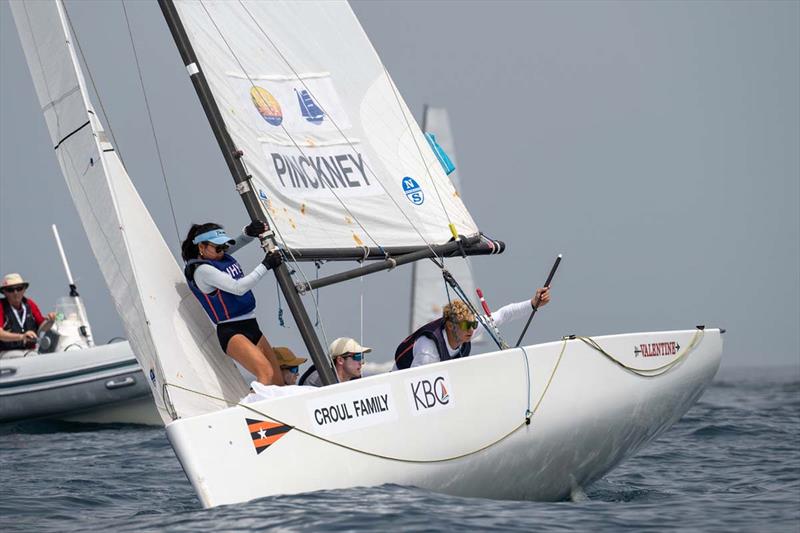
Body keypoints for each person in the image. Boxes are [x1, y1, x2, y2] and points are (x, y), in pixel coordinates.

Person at [182, 220, 284, 385]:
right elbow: (238, 288)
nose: (223, 251)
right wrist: (266, 265)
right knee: (266, 373)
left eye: (224, 246)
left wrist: (249, 231)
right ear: (201, 247)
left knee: (278, 381)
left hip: (251, 325)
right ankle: (247, 409)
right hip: (232, 331)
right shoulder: (202, 270)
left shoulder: (217, 254)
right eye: (218, 247)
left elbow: (240, 241)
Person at [393, 287, 551, 370]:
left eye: (473, 325)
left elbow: (503, 314)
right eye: (466, 326)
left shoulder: (470, 328)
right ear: (450, 325)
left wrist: (533, 303)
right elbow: (412, 382)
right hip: (400, 381)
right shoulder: (428, 348)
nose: (471, 330)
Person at [0, 273, 56, 353]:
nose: (15, 292)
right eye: (10, 290)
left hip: (30, 351)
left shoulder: (30, 304)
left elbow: (42, 328)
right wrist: (22, 337)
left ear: (24, 290)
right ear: (4, 292)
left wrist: (50, 321)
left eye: (19, 288)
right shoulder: (1, 306)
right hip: (7, 353)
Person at [298, 337, 369, 387]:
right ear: (340, 360)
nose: (362, 362)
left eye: (362, 357)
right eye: (358, 357)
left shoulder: (355, 382)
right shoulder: (319, 380)